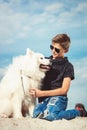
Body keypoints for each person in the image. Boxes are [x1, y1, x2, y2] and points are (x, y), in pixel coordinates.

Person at [29, 34, 82, 121]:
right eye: (51, 47)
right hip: (44, 99)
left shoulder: (68, 66)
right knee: (36, 115)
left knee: (51, 116)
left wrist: (41, 93)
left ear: (66, 50)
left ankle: (79, 111)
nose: (53, 51)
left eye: (57, 49)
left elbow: (64, 90)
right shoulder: (45, 61)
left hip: (59, 98)